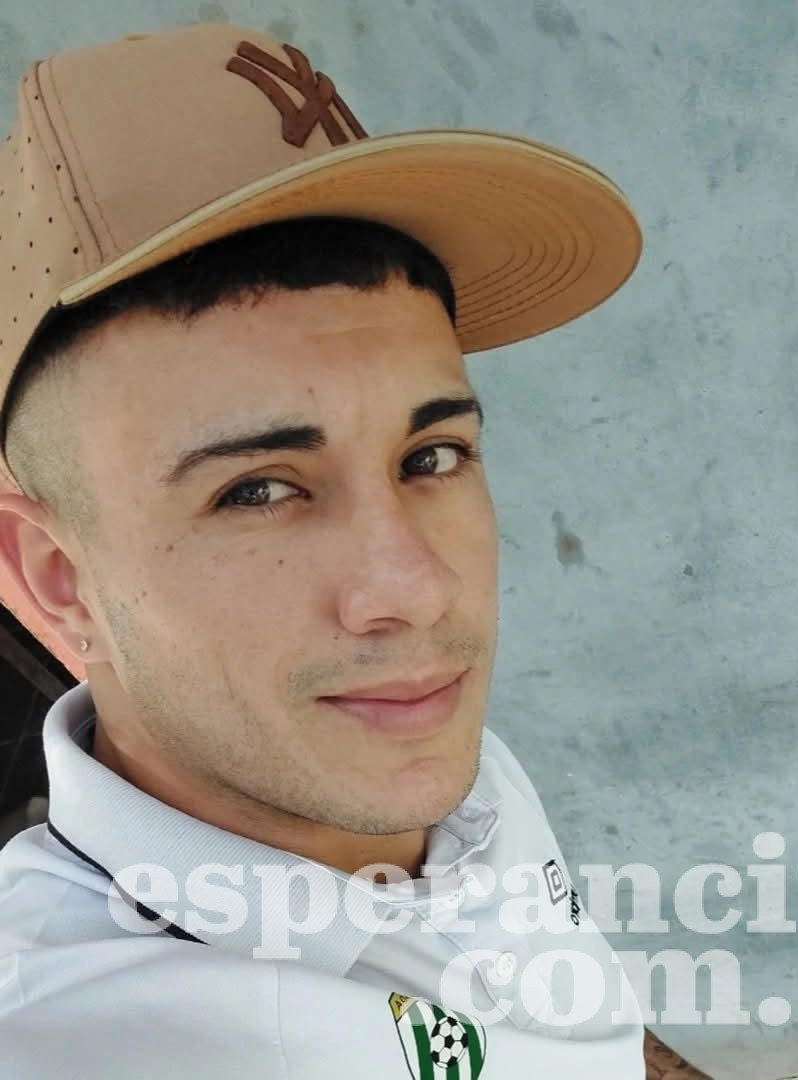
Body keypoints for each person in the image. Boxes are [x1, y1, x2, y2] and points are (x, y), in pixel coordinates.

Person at [0, 20, 709, 1079]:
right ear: (57, 580)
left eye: (430, 456)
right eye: (258, 490)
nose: (416, 591)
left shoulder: (437, 764)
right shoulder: (67, 1038)